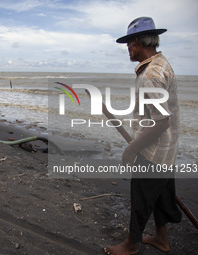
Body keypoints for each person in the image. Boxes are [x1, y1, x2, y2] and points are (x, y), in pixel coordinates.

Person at [104, 17, 182, 255]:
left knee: (141, 196)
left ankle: (131, 244)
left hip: (154, 150)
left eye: (129, 43)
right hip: (167, 148)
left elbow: (160, 122)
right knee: (160, 195)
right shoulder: (160, 64)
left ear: (136, 42)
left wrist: (132, 148)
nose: (128, 48)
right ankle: (161, 239)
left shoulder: (151, 76)